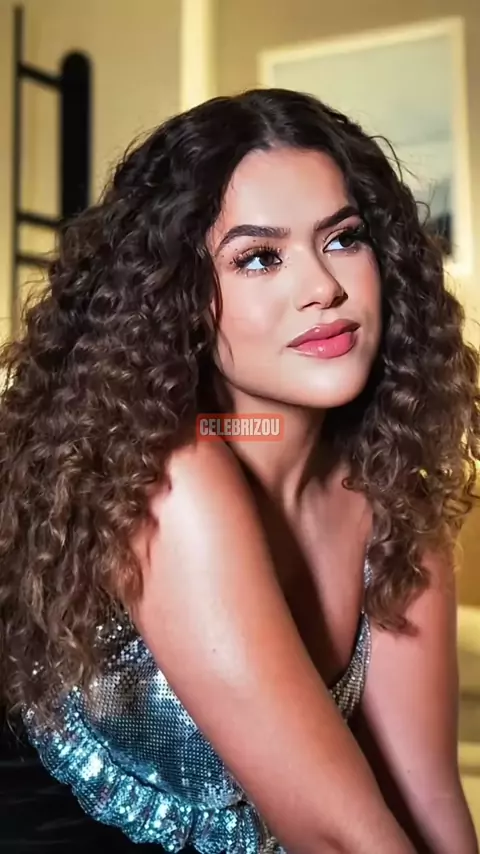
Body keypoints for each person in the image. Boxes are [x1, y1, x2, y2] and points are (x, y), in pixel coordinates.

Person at [0, 87, 479, 854]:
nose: (323, 288)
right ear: (182, 298)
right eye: (260, 257)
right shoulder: (172, 479)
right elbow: (339, 836)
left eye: (343, 239)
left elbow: (425, 800)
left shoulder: (394, 503)